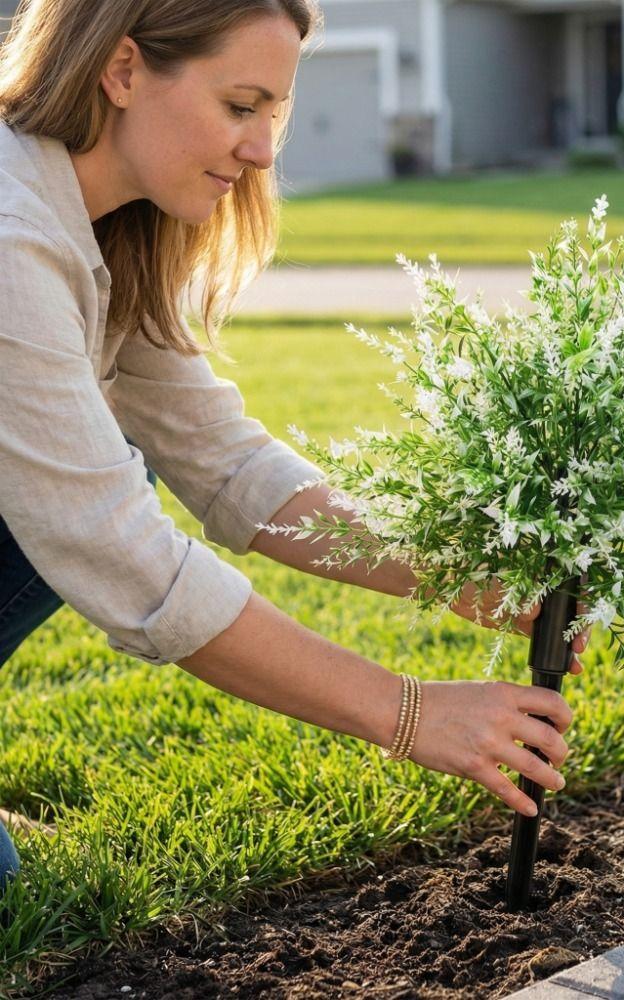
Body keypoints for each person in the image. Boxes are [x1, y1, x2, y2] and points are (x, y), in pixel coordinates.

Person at [0, 0, 589, 889]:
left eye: (273, 112)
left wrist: (459, 572)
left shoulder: (105, 223)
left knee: (123, 453)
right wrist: (410, 712)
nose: (264, 150)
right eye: (241, 106)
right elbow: (122, 556)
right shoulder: (11, 241)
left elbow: (226, 460)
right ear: (121, 72)